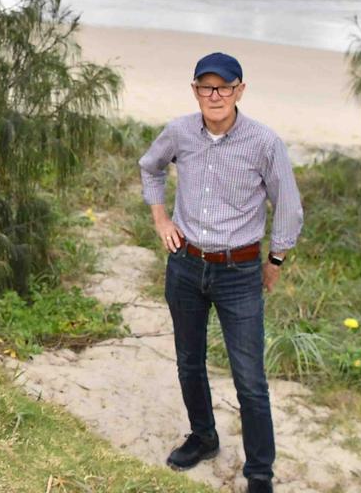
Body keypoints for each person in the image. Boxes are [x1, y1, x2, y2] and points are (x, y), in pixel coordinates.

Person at [138, 52, 303, 493]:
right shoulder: (179, 132)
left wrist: (276, 261)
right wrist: (160, 220)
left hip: (239, 272)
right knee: (189, 362)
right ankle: (204, 437)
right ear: (195, 91)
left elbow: (288, 206)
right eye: (206, 87)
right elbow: (150, 168)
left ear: (239, 91)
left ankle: (259, 473)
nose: (215, 95)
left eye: (224, 87)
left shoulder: (264, 143)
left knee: (250, 378)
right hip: (186, 266)